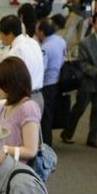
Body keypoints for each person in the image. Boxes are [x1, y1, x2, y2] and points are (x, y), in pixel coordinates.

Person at [61, 10, 97, 149]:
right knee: (79, 109)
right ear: (93, 24)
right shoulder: (85, 43)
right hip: (88, 83)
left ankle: (93, 138)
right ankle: (67, 133)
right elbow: (82, 63)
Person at [0, 56, 41, 164]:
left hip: (17, 168)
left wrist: (2, 149)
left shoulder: (28, 108)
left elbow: (31, 151)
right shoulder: (6, 105)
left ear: (12, 84)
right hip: (5, 165)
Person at [0, 14, 44, 109]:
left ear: (9, 34)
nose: (0, 38)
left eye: (0, 34)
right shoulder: (32, 42)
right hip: (38, 96)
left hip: (25, 100)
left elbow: (10, 80)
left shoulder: (16, 51)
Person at [37, 17, 67, 145]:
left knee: (45, 117)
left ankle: (46, 144)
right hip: (58, 81)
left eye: (37, 30)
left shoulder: (45, 48)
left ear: (42, 32)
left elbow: (41, 69)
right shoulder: (61, 40)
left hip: (47, 85)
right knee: (50, 114)